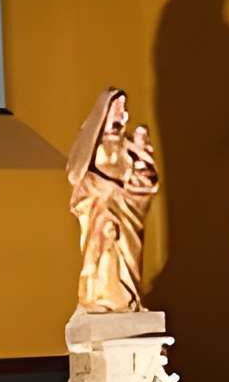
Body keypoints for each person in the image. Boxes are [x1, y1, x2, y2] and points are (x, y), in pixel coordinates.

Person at [66, 87, 159, 312]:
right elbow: (77, 176)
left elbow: (145, 181)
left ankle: (126, 298)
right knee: (103, 242)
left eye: (123, 108)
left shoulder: (129, 149)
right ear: (104, 111)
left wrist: (140, 178)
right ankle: (100, 296)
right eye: (116, 107)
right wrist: (103, 190)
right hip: (99, 211)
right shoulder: (92, 147)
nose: (121, 112)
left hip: (128, 213)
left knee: (126, 256)